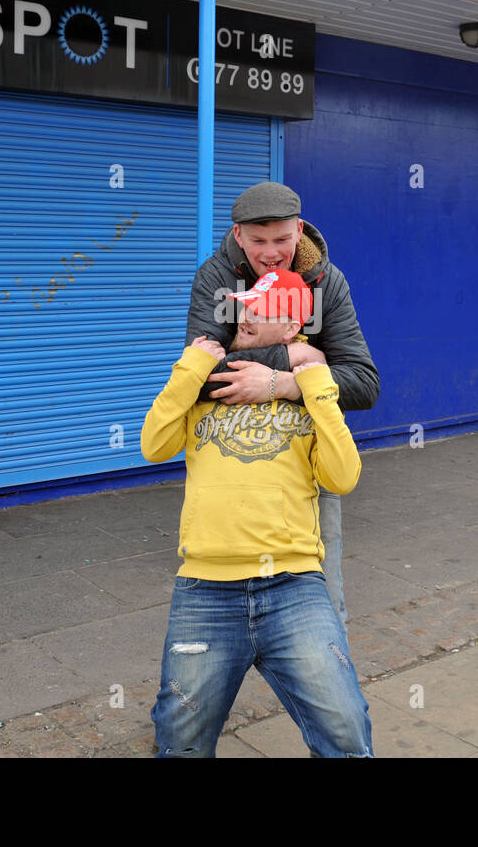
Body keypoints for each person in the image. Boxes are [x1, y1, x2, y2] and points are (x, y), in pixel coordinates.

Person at [142, 268, 373, 758]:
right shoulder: (206, 382)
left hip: (294, 586)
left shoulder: (308, 389)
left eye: (260, 310)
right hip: (205, 589)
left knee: (346, 730)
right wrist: (189, 367)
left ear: (293, 327)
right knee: (180, 741)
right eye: (244, 306)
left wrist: (312, 386)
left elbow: (343, 477)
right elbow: (154, 445)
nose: (243, 317)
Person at [184, 181, 378, 630]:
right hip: (228, 466)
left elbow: (364, 383)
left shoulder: (328, 283)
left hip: (308, 468)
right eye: (258, 241)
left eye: (283, 240)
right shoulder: (217, 279)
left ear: (300, 230)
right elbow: (197, 377)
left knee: (325, 603)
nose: (271, 253)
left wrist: (284, 384)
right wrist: (296, 355)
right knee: (217, 616)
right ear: (238, 236)